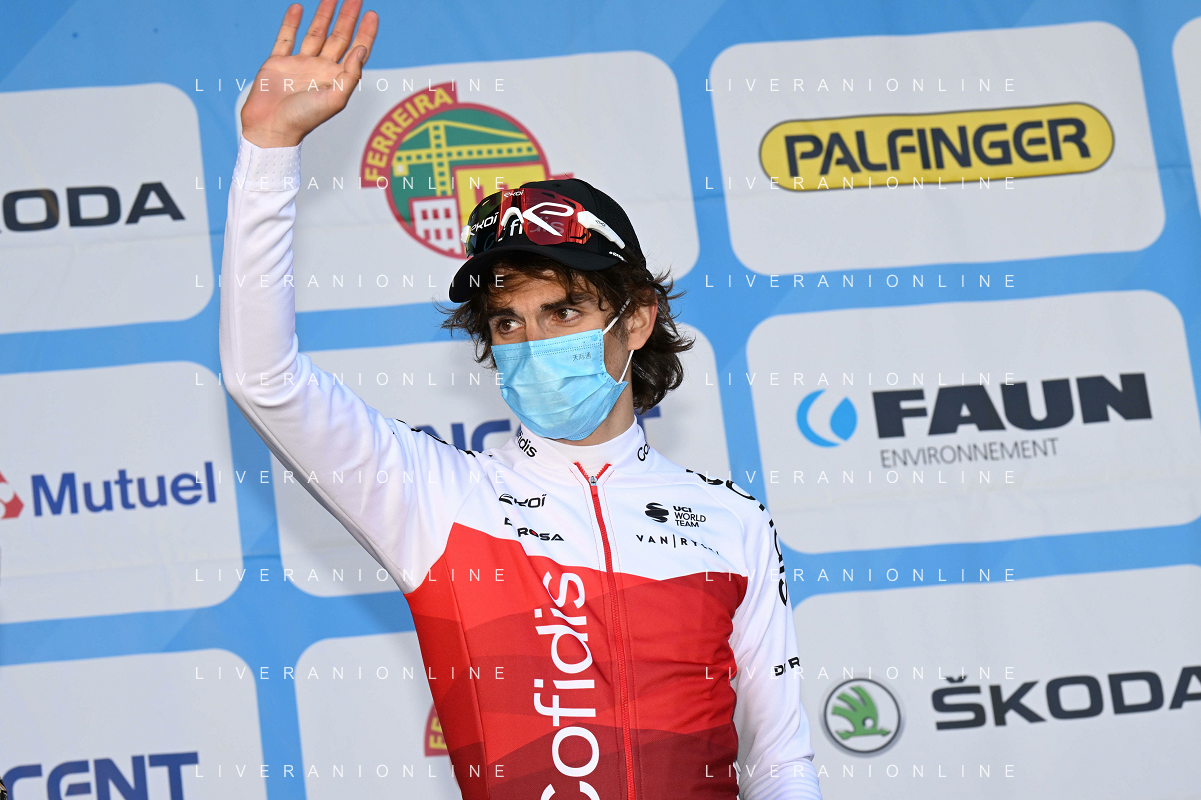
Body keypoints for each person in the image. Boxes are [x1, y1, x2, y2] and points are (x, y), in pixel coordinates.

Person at [220, 2, 822, 798]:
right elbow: (263, 378)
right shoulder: (435, 499)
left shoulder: (731, 521)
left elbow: (779, 761)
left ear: (636, 320)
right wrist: (269, 149)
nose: (533, 342)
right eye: (508, 321)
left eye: (563, 313)